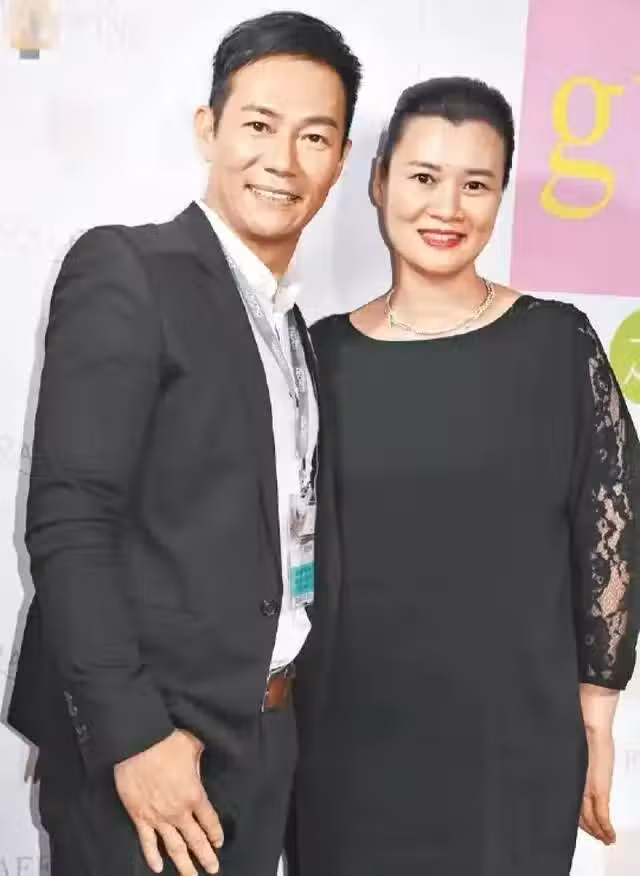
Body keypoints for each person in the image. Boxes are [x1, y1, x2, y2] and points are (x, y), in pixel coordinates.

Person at [7, 11, 361, 876]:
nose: (284, 160)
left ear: (342, 160)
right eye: (259, 125)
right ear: (208, 129)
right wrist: (135, 739)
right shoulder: (129, 269)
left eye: (315, 136)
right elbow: (70, 522)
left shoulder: (292, 326)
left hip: (262, 739)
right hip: (154, 752)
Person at [291, 77, 640, 876]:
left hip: (511, 744)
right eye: (423, 176)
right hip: (349, 741)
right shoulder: (318, 354)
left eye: (476, 184)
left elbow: (612, 525)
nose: (447, 207)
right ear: (378, 181)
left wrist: (596, 713)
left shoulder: (556, 345)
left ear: (501, 196)